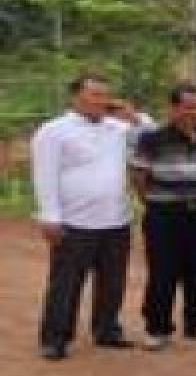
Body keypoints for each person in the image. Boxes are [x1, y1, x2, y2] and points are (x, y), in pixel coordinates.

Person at [31, 73, 135, 360]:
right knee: (66, 283)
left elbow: (150, 133)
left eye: (105, 95)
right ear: (75, 97)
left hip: (116, 220)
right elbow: (44, 175)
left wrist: (131, 114)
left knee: (113, 282)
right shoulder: (53, 131)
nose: (101, 101)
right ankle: (55, 338)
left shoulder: (117, 128)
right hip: (74, 222)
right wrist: (49, 216)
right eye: (94, 95)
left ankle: (107, 330)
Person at [132, 83, 196, 350]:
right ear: (173, 108)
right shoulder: (152, 138)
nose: (194, 112)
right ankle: (157, 329)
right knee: (163, 271)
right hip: (163, 215)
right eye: (187, 107)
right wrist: (152, 201)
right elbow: (138, 176)